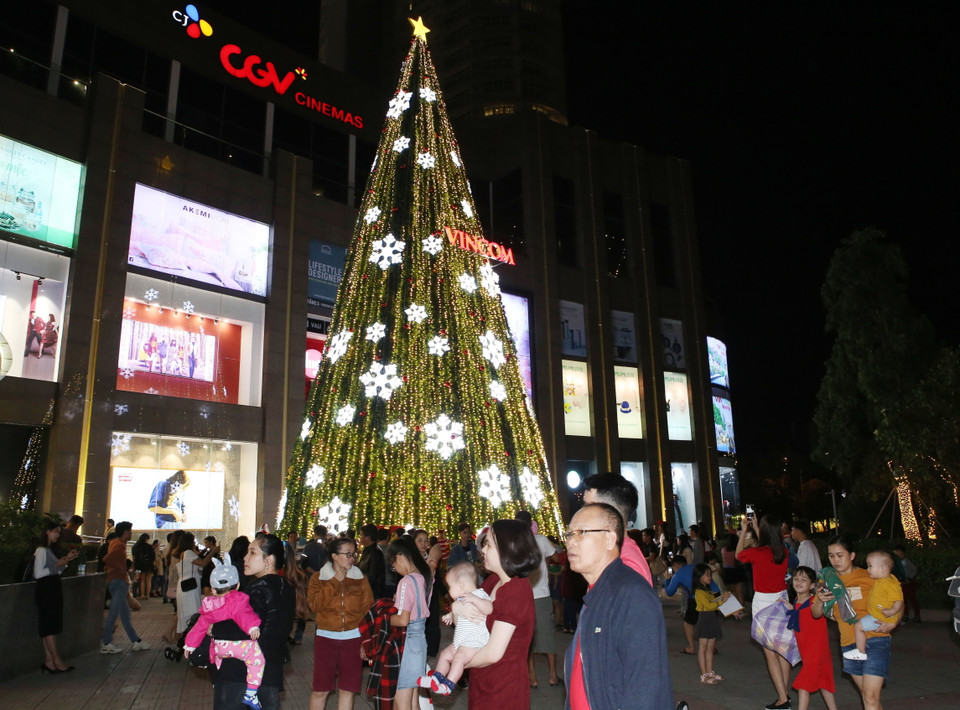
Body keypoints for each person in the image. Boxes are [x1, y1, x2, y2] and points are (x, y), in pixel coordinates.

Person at [563, 503, 673, 709]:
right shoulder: (595, 593)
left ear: (610, 539)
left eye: (581, 532)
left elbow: (643, 685)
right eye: (569, 534)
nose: (571, 542)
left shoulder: (632, 594)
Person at [210, 534, 300, 710]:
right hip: (270, 673)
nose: (245, 557)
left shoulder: (260, 588)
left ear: (269, 560)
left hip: (240, 676)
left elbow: (247, 629)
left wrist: (214, 627)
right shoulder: (285, 587)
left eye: (252, 553)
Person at [461, 519, 540, 710]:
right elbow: (465, 613)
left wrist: (455, 663)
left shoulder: (516, 590)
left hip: (503, 688)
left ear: (508, 548)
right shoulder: (494, 580)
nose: (483, 550)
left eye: (488, 544)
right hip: (483, 679)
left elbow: (493, 653)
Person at [813, 536, 897, 710]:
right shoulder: (828, 581)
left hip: (875, 639)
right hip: (849, 644)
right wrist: (820, 600)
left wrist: (894, 621)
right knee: (869, 698)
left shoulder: (870, 575)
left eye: (839, 555)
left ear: (851, 555)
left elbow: (897, 597)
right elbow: (815, 614)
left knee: (870, 697)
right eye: (831, 556)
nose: (835, 560)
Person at [184, 554, 265, 710]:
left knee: (217, 661)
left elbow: (200, 626)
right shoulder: (238, 600)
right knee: (257, 660)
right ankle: (251, 693)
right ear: (238, 584)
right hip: (240, 648)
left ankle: (217, 682)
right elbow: (245, 615)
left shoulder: (209, 605)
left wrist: (189, 644)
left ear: (213, 589)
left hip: (220, 648)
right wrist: (252, 627)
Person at [307, 536, 374, 710]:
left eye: (354, 554)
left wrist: (366, 642)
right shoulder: (318, 578)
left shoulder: (361, 578)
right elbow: (315, 605)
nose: (352, 558)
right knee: (320, 690)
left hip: (353, 639)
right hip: (325, 638)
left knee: (348, 690)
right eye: (348, 554)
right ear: (334, 556)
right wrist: (335, 581)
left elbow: (368, 612)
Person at [737, 513, 791, 710]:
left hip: (764, 603)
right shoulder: (783, 552)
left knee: (770, 653)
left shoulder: (757, 552)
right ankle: (784, 693)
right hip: (783, 600)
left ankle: (783, 700)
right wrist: (759, 527)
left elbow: (738, 555)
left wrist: (744, 531)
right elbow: (769, 543)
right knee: (783, 650)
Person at [418, 561, 493, 695]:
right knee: (445, 654)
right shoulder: (459, 601)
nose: (449, 591)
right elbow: (459, 616)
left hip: (474, 643)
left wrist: (475, 600)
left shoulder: (479, 595)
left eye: (450, 587)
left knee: (458, 659)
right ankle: (436, 677)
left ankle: (449, 683)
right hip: (461, 642)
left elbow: (489, 608)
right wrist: (451, 615)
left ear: (461, 585)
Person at [386, 536, 433, 710]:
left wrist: (383, 619)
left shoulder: (406, 582)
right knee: (413, 701)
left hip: (409, 641)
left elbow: (403, 619)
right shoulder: (423, 577)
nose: (394, 568)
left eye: (393, 563)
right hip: (420, 641)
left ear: (400, 556)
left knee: (401, 702)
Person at [582, 472, 653, 584]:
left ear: (613, 513)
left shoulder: (626, 566)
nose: (582, 514)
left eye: (589, 507)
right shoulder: (613, 556)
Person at [516, 509, 560, 688]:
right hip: (541, 595)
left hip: (523, 597)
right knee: (548, 635)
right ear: (531, 523)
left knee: (528, 637)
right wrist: (547, 560)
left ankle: (532, 677)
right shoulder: (541, 540)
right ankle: (552, 676)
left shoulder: (515, 543)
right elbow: (556, 557)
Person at [786, 566, 837, 710]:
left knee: (804, 685)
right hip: (807, 651)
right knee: (823, 683)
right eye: (796, 579)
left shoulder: (815, 600)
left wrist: (820, 601)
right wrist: (790, 608)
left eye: (804, 579)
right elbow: (799, 620)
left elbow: (816, 613)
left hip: (817, 651)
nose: (799, 582)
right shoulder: (796, 601)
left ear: (812, 585)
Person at [33, 519, 79, 673]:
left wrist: (64, 562)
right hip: (46, 591)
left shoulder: (48, 550)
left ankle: (49, 661)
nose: (58, 536)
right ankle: (57, 661)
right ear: (48, 531)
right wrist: (57, 565)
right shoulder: (41, 550)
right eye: (56, 532)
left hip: (51, 589)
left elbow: (55, 571)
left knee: (49, 627)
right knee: (50, 627)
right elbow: (38, 573)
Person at [843, 550, 903, 661]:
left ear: (883, 569)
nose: (868, 569)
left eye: (870, 566)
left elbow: (899, 600)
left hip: (880, 617)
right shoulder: (882, 580)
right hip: (879, 615)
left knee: (858, 627)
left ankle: (860, 652)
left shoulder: (889, 584)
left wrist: (892, 612)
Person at [101, 521, 150, 653]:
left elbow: (108, 559)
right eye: (129, 531)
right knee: (115, 613)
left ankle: (136, 641)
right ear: (124, 532)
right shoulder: (120, 545)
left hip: (115, 581)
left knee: (124, 614)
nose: (131, 533)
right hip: (118, 581)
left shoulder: (115, 542)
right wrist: (122, 569)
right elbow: (108, 558)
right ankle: (106, 642)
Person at [664, 556, 720, 655]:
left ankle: (691, 647)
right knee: (709, 620)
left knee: (689, 623)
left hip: (697, 597)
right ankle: (711, 647)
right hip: (715, 594)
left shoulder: (678, 574)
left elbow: (669, 592)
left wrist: (667, 579)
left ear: (675, 566)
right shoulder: (696, 567)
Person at [177, 532, 219, 639]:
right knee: (192, 613)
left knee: (185, 613)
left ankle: (184, 640)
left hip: (184, 585)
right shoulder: (188, 553)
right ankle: (190, 640)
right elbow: (203, 563)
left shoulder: (183, 553)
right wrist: (213, 551)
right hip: (190, 587)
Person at [693, 562, 729, 684]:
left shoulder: (707, 590)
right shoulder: (699, 591)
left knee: (710, 648)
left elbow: (713, 601)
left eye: (709, 575)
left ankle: (710, 671)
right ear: (699, 577)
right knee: (703, 648)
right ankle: (704, 675)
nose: (709, 577)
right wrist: (721, 601)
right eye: (707, 575)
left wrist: (724, 599)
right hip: (704, 619)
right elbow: (709, 605)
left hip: (712, 619)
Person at [892, 544, 921, 622]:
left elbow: (914, 570)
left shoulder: (906, 561)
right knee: (903, 600)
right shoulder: (898, 562)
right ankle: (906, 615)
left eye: (896, 552)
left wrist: (909, 578)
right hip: (902, 583)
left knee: (912, 599)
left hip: (908, 583)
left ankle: (917, 616)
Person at [358, 523, 386, 598]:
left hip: (372, 594)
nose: (360, 538)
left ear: (367, 537)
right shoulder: (368, 551)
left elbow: (372, 577)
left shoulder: (375, 553)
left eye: (361, 535)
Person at [721, 532, 746, 605]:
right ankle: (742, 609)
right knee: (740, 592)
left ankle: (737, 609)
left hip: (728, 571)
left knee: (733, 591)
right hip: (738, 570)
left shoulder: (724, 549)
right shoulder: (739, 549)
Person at [132, 533, 155, 600]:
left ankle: (141, 594)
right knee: (148, 580)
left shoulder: (136, 546)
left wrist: (133, 567)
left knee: (141, 580)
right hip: (149, 566)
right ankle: (147, 594)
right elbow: (153, 557)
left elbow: (134, 558)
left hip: (138, 567)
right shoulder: (149, 547)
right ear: (146, 539)